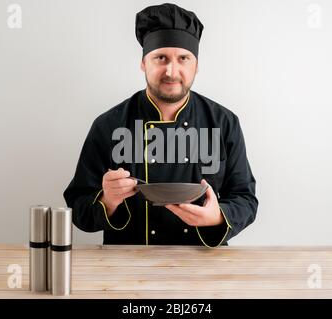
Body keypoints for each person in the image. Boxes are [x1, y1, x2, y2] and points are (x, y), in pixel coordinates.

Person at [63, 3, 258, 247]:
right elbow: (79, 208)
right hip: (127, 264)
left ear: (196, 65)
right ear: (144, 63)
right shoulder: (109, 125)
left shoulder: (224, 122)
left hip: (203, 266)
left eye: (183, 58)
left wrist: (218, 216)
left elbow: (246, 199)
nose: (171, 71)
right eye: (160, 58)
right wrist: (108, 200)